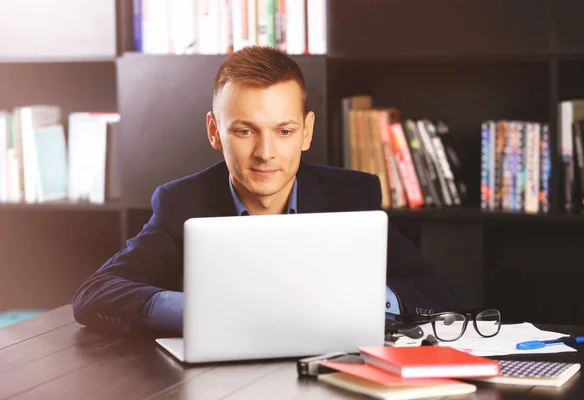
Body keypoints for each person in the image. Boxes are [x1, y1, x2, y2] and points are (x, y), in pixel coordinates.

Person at [72, 46, 459, 336]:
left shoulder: (353, 197)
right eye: (245, 131)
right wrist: (202, 312)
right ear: (214, 131)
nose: (265, 153)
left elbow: (436, 290)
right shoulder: (182, 202)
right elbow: (95, 295)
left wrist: (364, 302)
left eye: (284, 131)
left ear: (306, 132)